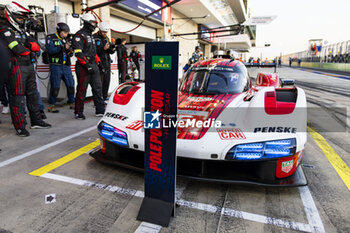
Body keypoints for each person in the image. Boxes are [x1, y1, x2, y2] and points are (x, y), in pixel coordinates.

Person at [0, 2, 51, 137]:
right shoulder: (4, 30)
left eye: (23, 18)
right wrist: (29, 47)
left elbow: (35, 45)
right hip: (15, 68)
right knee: (17, 98)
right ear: (11, 15)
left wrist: (28, 46)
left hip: (28, 66)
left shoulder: (22, 31)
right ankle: (20, 126)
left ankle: (36, 121)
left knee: (33, 96)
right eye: (20, 18)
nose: (22, 20)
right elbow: (18, 49)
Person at [72, 13, 105, 120]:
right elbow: (78, 53)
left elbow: (93, 52)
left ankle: (100, 110)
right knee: (82, 90)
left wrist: (99, 63)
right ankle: (78, 112)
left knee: (97, 88)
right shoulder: (79, 35)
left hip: (93, 64)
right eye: (93, 23)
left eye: (95, 23)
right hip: (83, 66)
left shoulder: (90, 35)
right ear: (86, 23)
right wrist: (86, 65)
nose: (94, 25)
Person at [46, 22, 75, 113]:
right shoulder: (50, 38)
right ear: (59, 31)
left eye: (67, 33)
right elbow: (50, 50)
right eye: (65, 32)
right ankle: (52, 105)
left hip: (66, 66)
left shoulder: (66, 40)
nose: (66, 34)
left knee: (71, 85)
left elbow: (70, 54)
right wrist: (62, 47)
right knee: (55, 86)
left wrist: (70, 50)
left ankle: (72, 102)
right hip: (56, 66)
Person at [93, 22, 115, 100]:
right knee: (99, 83)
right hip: (98, 64)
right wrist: (103, 49)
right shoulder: (94, 38)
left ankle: (105, 97)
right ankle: (98, 99)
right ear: (99, 30)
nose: (105, 33)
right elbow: (93, 51)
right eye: (103, 32)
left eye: (106, 32)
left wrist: (112, 49)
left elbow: (110, 51)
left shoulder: (106, 38)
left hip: (107, 63)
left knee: (106, 81)